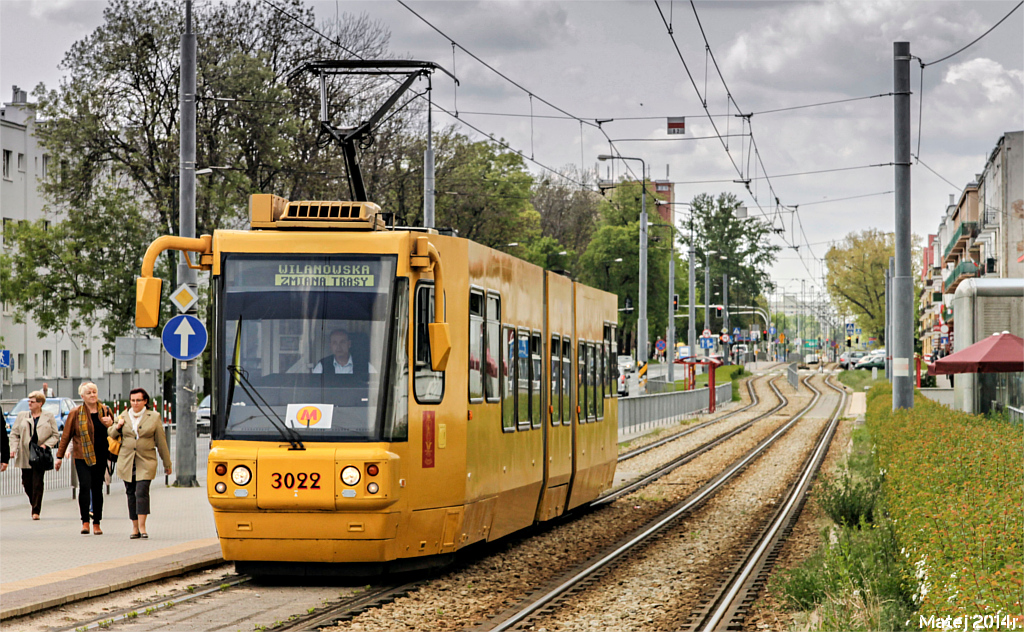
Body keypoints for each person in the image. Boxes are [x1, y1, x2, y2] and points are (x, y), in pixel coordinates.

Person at [110, 388, 170, 539]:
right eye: (132, 400)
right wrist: (117, 426)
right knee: (131, 493)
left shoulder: (154, 417)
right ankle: (134, 527)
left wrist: (167, 463)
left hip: (146, 460)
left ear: (145, 401)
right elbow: (111, 433)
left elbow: (161, 442)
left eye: (138, 400)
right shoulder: (123, 416)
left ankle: (143, 527)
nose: (135, 403)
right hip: (127, 460)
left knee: (141, 492)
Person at [56, 382, 114, 535]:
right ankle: (85, 522)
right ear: (82, 396)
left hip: (101, 455)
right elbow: (66, 435)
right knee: (85, 486)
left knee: (97, 488)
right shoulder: (76, 413)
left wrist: (112, 424)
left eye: (94, 392)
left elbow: (115, 433)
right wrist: (59, 456)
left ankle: (97, 523)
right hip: (82, 456)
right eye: (89, 393)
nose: (92, 395)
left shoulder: (106, 411)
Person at [9, 391, 59, 519]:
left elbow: (55, 435)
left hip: (39, 454)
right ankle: (33, 502)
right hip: (25, 453)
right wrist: (13, 449)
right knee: (26, 482)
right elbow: (14, 434)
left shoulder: (48, 416)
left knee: (37, 482)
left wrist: (46, 445)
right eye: (29, 401)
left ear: (40, 403)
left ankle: (36, 511)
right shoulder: (22, 415)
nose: (29, 403)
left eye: (32, 401)